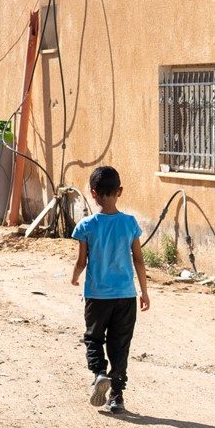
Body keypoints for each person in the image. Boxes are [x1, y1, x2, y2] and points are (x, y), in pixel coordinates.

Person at [70, 166, 150, 414]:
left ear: (93, 193)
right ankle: (117, 396)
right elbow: (138, 259)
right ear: (120, 191)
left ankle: (99, 373)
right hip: (125, 295)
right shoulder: (129, 223)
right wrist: (144, 292)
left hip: (97, 295)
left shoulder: (86, 225)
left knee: (94, 338)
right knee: (120, 345)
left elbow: (82, 261)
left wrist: (74, 278)